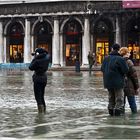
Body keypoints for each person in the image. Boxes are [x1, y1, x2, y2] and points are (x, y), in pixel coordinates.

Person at [101, 43, 129, 116]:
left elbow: (102, 69)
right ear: (119, 49)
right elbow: (126, 70)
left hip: (108, 82)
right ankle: (117, 114)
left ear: (112, 49)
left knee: (111, 98)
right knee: (119, 98)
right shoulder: (120, 59)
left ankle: (110, 113)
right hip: (118, 82)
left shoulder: (106, 58)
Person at [29, 48, 50, 113]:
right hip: (44, 78)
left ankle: (40, 112)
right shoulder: (47, 58)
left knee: (38, 97)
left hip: (37, 79)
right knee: (42, 96)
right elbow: (46, 52)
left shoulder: (37, 60)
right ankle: (44, 110)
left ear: (38, 53)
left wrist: (35, 58)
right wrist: (38, 54)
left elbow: (30, 67)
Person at [119, 47, 140, 114]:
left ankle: (121, 120)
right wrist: (137, 87)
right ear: (126, 53)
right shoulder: (129, 62)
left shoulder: (118, 61)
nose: (130, 53)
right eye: (128, 52)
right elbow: (134, 76)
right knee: (132, 104)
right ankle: (134, 119)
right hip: (129, 85)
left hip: (120, 85)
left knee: (122, 104)